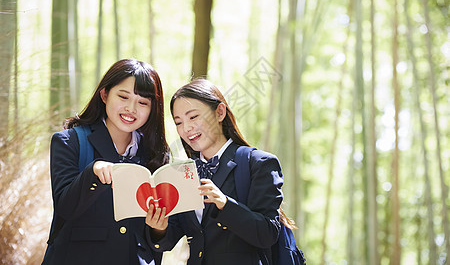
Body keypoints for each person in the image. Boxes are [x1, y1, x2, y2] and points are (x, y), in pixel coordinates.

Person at [146, 78, 294, 265]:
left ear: (220, 112)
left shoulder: (258, 163)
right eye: (178, 122)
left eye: (193, 117)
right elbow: (172, 236)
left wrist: (225, 205)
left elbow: (267, 233)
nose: (186, 128)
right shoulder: (184, 172)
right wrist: (158, 228)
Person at [42, 59, 169, 265]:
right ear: (104, 94)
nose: (131, 108)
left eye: (143, 102)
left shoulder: (155, 153)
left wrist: (159, 229)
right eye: (123, 96)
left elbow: (154, 237)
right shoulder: (70, 141)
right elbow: (65, 208)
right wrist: (93, 172)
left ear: (153, 109)